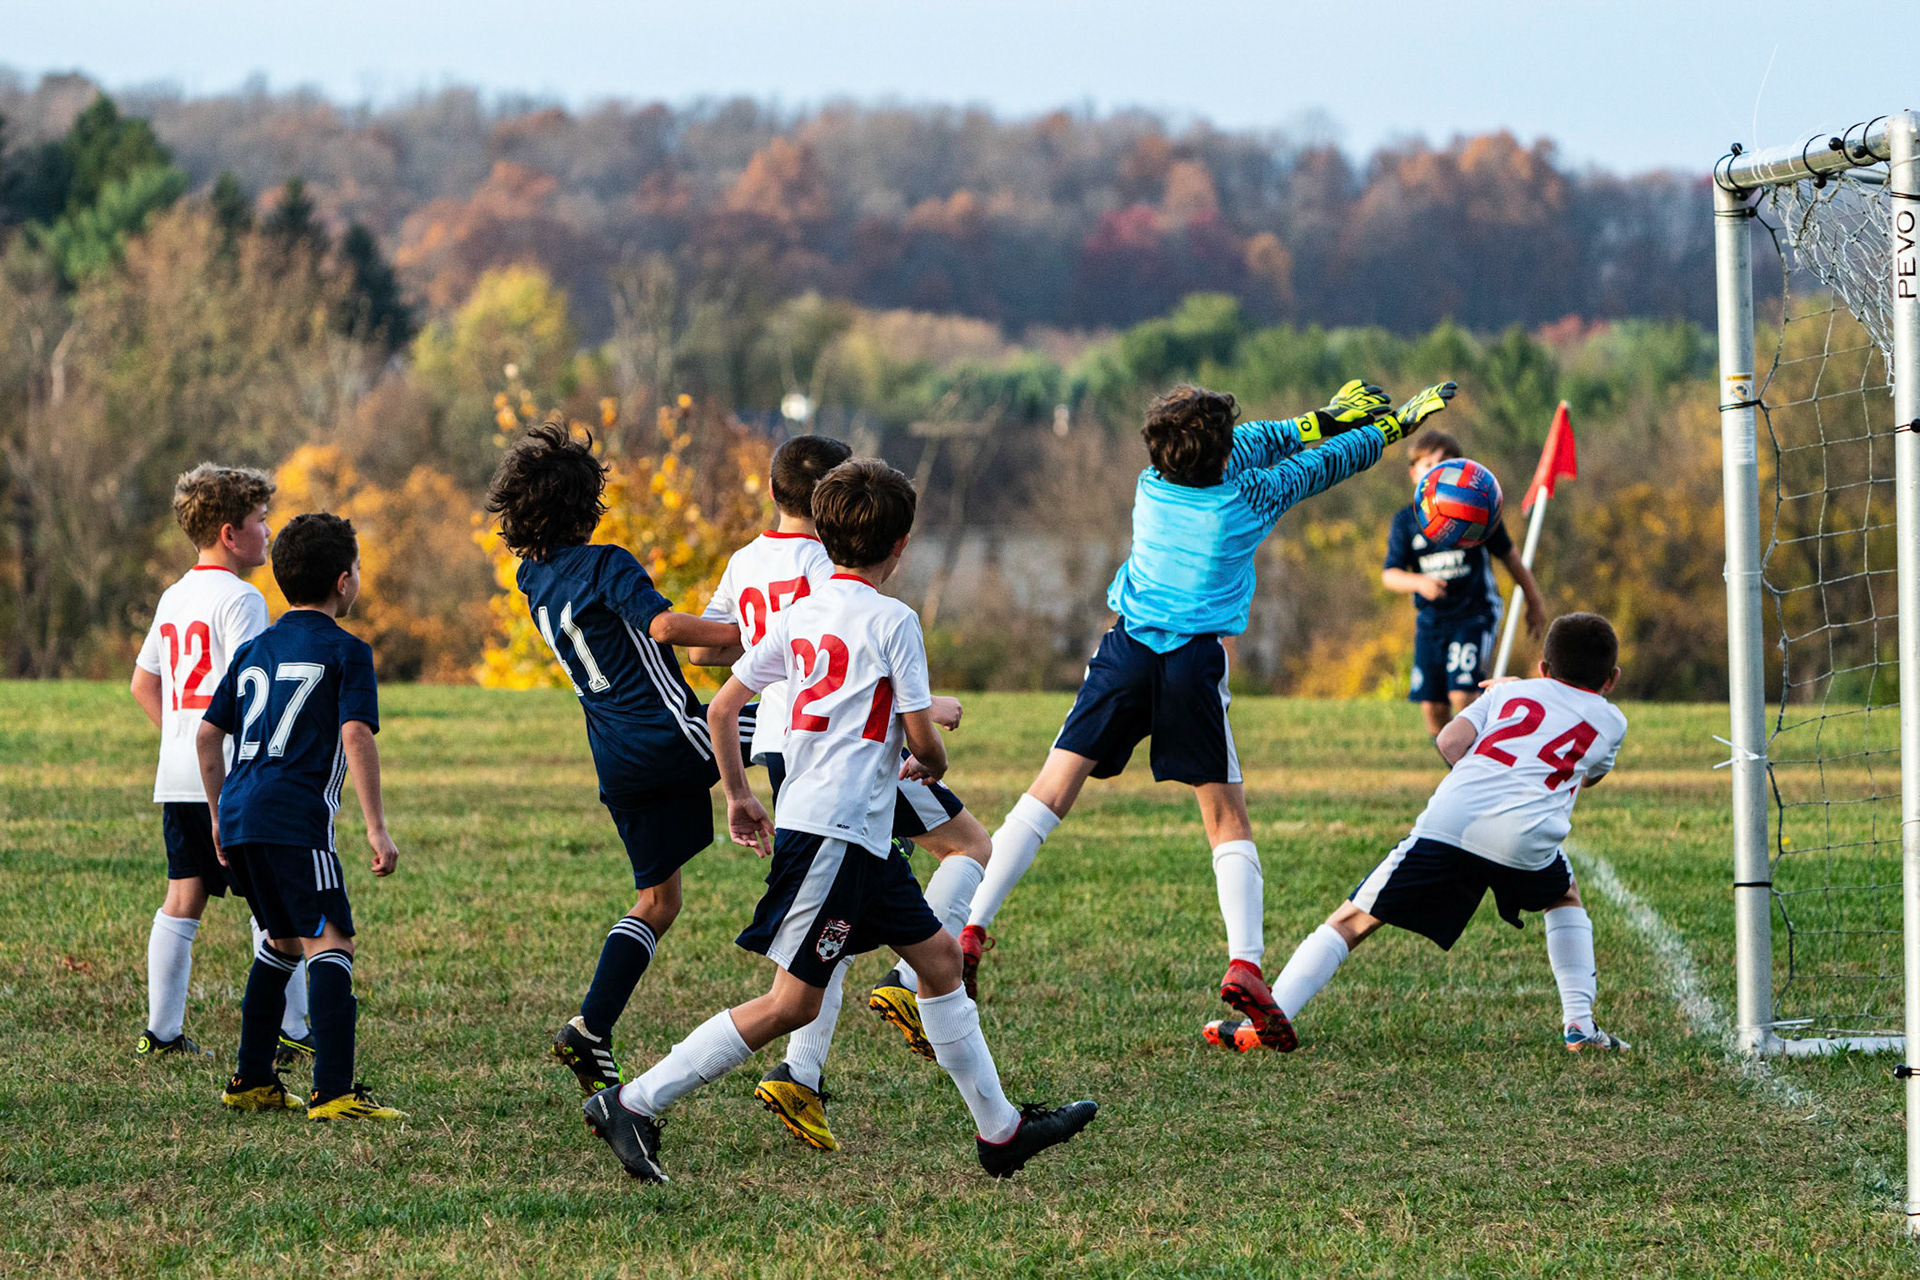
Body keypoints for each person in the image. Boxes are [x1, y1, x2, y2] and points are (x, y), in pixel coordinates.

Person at [584, 458, 1096, 1182]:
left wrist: (739, 794)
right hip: (832, 838)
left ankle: (1001, 1133)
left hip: (854, 833)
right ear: (902, 546)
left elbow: (724, 708)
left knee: (940, 962)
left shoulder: (798, 615)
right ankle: (632, 1103)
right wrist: (932, 761)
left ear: (824, 539)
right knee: (791, 1005)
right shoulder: (895, 621)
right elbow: (923, 742)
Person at [960, 379, 1458, 1051]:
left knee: (1049, 792)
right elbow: (1322, 464)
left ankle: (971, 926)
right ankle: (1245, 965)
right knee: (1225, 819)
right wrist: (1386, 430)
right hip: (1193, 663)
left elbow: (1256, 442)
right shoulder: (1247, 500)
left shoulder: (1150, 487)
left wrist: (1327, 416)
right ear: (1222, 454)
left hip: (1126, 649)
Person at [685, 433, 995, 1152]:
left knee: (839, 915)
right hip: (845, 750)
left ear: (774, 491)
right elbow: (854, 655)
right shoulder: (829, 565)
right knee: (969, 846)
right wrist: (929, 708)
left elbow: (708, 649)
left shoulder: (747, 561)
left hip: (782, 749)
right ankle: (906, 983)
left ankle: (806, 1071)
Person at [1214, 612, 1630, 1054]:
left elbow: (1449, 742)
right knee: (1563, 897)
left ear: (1543, 667)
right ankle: (1579, 1025)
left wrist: (1500, 708)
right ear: (1612, 679)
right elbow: (1588, 774)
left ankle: (1267, 1020)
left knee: (1352, 922)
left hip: (1452, 821)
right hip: (1525, 840)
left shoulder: (1507, 692)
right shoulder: (1612, 722)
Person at [483, 418, 745, 1098]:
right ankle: (887, 840)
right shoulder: (608, 564)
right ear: (586, 505)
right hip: (671, 735)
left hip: (617, 762)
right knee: (791, 730)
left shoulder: (530, 578)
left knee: (658, 900)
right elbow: (664, 626)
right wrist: (753, 634)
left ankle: (591, 1027)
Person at [198, 513, 405, 1118]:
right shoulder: (348, 650)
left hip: (241, 815)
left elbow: (207, 737)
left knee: (282, 940)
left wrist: (217, 815)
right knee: (331, 939)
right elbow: (355, 734)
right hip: (295, 820)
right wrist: (376, 828)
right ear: (344, 582)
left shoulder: (254, 649)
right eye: (357, 567)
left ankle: (252, 1080)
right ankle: (334, 1092)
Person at [130, 463, 311, 1066]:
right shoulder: (242, 599)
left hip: (180, 776)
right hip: (233, 779)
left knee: (182, 898)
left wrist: (182, 738)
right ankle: (291, 1029)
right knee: (274, 904)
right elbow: (250, 691)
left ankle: (162, 1033)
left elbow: (143, 684)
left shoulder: (174, 595)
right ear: (231, 534)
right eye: (262, 519)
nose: (269, 530)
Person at [1382, 429, 1548, 738]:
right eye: (1428, 464)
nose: (1436, 471)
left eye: (1445, 464)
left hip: (1474, 614)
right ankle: (1459, 764)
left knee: (1463, 695)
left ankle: (1486, 755)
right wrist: (1418, 582)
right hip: (1431, 622)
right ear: (1413, 473)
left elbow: (1511, 558)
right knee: (1433, 708)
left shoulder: (1476, 512)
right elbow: (1390, 574)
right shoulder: (1406, 521)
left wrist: (1534, 601)